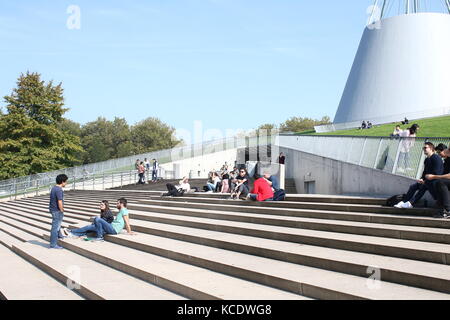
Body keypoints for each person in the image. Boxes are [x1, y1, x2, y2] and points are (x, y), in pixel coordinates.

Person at [394, 142, 444, 209]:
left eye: (425, 148)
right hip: (428, 181)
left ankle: (411, 203)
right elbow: (425, 172)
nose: (424, 149)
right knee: (413, 186)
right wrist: (422, 179)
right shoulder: (427, 159)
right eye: (423, 148)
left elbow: (437, 173)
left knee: (423, 186)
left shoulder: (436, 158)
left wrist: (425, 180)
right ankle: (404, 202)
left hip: (435, 181)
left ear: (431, 148)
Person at [425, 147, 450, 219]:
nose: (440, 154)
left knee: (441, 183)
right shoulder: (447, 160)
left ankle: (447, 209)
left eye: (440, 152)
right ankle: (441, 210)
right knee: (438, 183)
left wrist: (433, 176)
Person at [48, 174, 69, 249]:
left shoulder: (54, 188)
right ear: (62, 182)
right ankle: (53, 244)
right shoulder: (59, 189)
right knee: (55, 227)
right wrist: (62, 210)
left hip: (52, 209)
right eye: (66, 182)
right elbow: (59, 201)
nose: (66, 183)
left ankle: (60, 236)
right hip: (57, 210)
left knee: (58, 224)